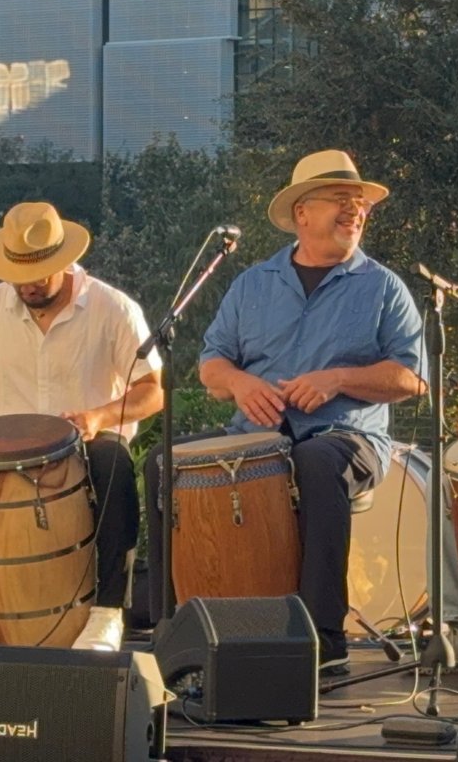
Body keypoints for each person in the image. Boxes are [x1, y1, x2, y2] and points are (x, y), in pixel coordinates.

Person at [168, 149, 426, 675]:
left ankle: (323, 641)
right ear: (302, 212)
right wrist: (241, 384)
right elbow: (211, 362)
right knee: (162, 463)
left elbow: (412, 378)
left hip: (348, 438)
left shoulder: (383, 286)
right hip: (257, 435)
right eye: (340, 201)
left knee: (315, 462)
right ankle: (182, 629)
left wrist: (339, 379)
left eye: (361, 205)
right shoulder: (252, 284)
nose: (354, 212)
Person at [0, 201, 163, 652]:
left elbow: (153, 392)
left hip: (82, 449)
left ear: (64, 262)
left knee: (115, 461)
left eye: (40, 272)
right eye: (19, 273)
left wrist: (98, 417)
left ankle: (106, 614)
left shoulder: (113, 307)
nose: (28, 283)